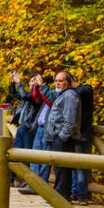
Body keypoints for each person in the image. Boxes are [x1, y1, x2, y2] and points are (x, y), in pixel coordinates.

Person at [41, 71, 81, 201]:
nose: (57, 83)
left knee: (61, 168)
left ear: (67, 82)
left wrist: (62, 136)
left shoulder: (69, 96)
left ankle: (59, 196)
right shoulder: (62, 95)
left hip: (63, 138)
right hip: (57, 135)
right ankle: (63, 195)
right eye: (56, 81)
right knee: (59, 167)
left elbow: (70, 120)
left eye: (60, 81)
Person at [9, 70, 42, 186]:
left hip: (29, 129)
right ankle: (11, 178)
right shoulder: (28, 95)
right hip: (21, 127)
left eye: (33, 81)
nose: (30, 83)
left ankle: (26, 180)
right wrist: (13, 82)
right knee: (15, 154)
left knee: (27, 156)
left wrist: (19, 82)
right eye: (30, 81)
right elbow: (13, 94)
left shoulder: (37, 96)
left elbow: (24, 95)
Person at [70, 73, 95, 205]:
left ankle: (81, 194)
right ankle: (74, 192)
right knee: (70, 163)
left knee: (80, 164)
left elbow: (84, 90)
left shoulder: (85, 89)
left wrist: (71, 87)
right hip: (70, 132)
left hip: (81, 132)